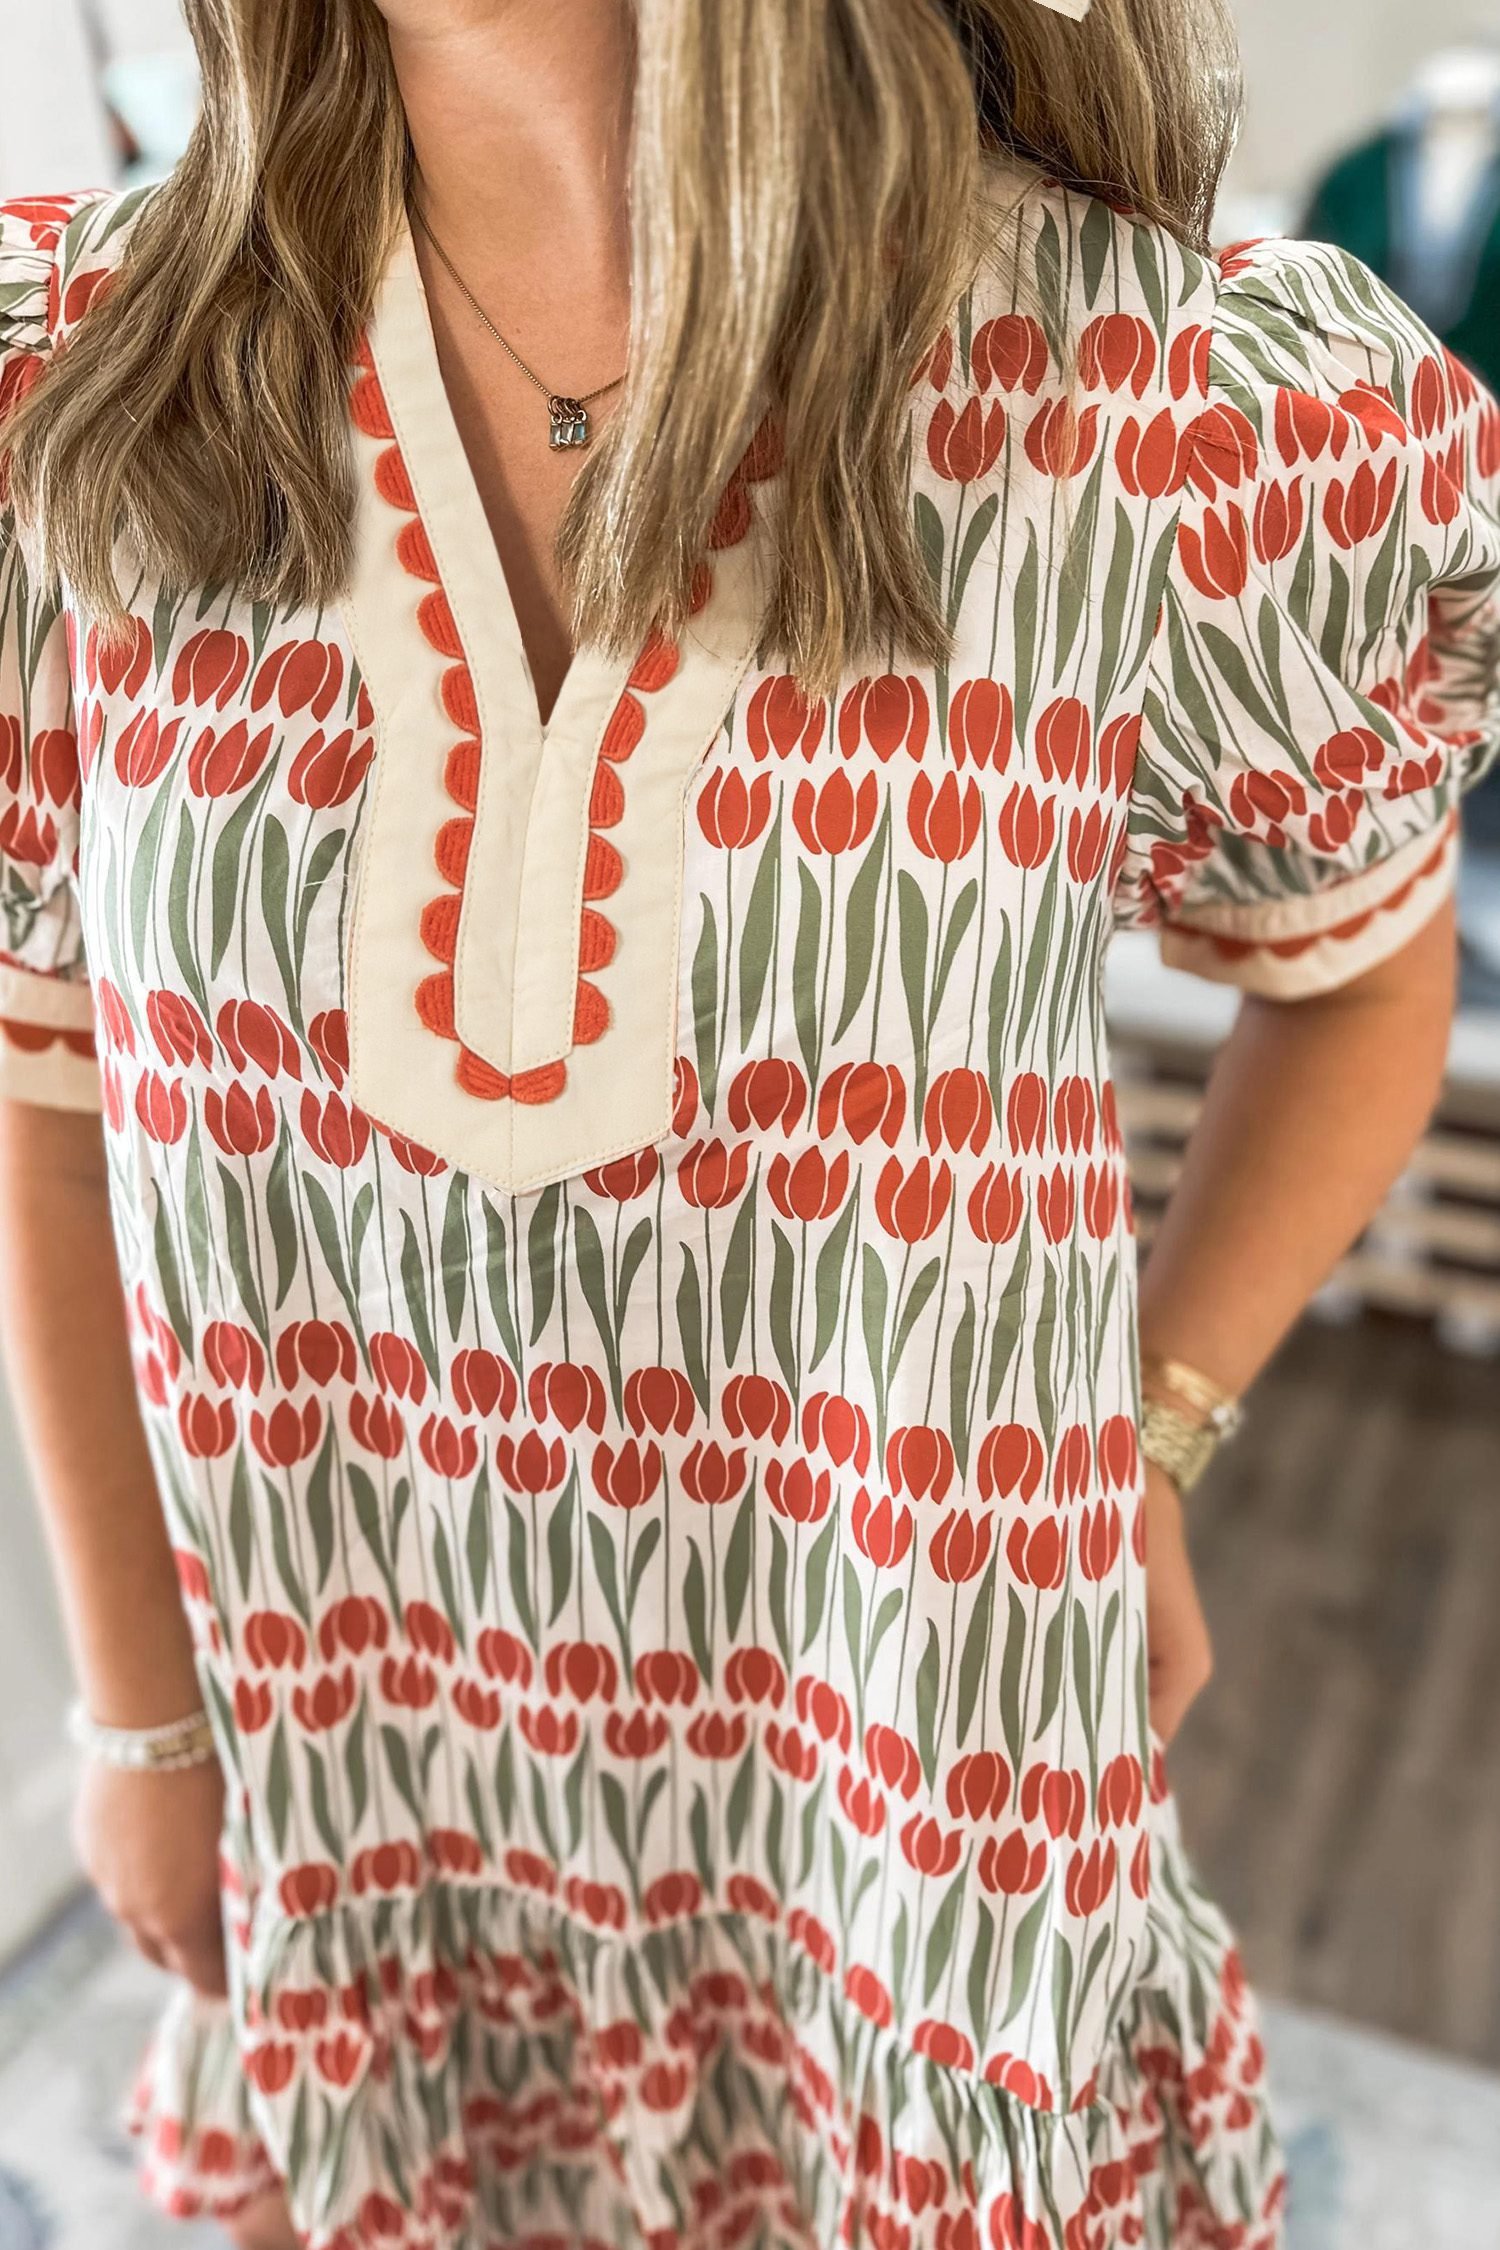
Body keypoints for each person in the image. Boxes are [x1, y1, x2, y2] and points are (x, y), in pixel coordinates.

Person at [1, 2, 1495, 2245]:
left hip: (919, 1850)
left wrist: (1151, 1434)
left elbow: (1359, 972)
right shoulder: (94, 375)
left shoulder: (1154, 402)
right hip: (366, 1841)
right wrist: (139, 1721)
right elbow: (49, 1095)